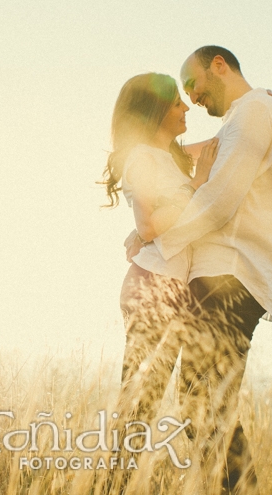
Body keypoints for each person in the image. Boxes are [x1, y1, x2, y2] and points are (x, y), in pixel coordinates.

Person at [128, 46, 272, 494]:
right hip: (221, 278)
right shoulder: (246, 116)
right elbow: (179, 162)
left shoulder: (255, 112)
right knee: (201, 408)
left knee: (203, 408)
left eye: (194, 85)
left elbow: (218, 202)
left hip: (230, 277)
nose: (193, 98)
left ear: (218, 65)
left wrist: (155, 235)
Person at [101, 72, 220, 454]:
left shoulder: (169, 156)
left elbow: (224, 144)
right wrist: (197, 186)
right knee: (138, 406)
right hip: (153, 286)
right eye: (176, 104)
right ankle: (113, 484)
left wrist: (257, 104)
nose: (186, 108)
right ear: (155, 111)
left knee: (143, 406)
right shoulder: (142, 158)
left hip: (169, 287)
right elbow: (148, 225)